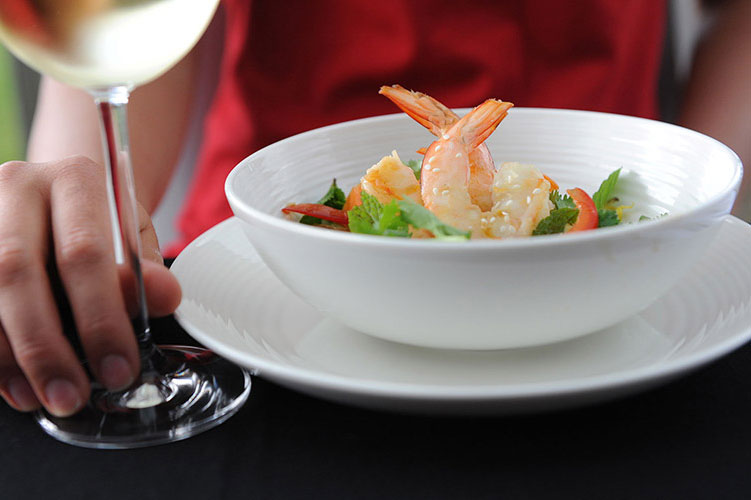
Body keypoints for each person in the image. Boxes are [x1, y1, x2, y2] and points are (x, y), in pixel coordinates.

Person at [0, 0, 749, 417]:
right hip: (264, 290)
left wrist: (691, 216)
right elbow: (115, 17)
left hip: (621, 302)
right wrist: (80, 213)